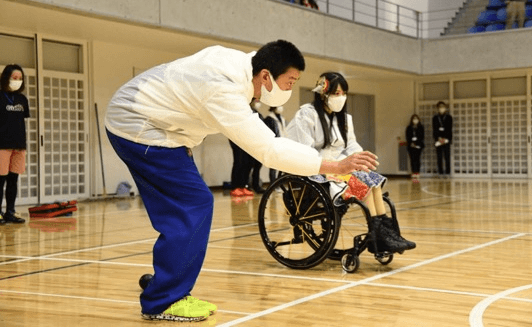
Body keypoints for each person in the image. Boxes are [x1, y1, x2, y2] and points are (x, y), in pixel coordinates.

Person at [105, 40, 378, 322]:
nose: (290, 89)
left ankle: (164, 286)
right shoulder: (223, 87)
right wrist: (336, 166)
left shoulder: (246, 67)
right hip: (137, 124)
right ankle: (163, 300)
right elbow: (269, 150)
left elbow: (187, 103)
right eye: (290, 82)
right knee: (193, 204)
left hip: (153, 125)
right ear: (265, 76)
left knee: (182, 208)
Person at [286, 72, 415, 254]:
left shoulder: (345, 119)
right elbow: (303, 149)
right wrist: (333, 165)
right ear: (323, 93)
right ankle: (380, 236)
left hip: (340, 168)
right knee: (365, 187)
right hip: (317, 169)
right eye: (336, 93)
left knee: (373, 181)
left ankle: (386, 233)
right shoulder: (307, 114)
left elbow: (351, 144)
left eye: (343, 93)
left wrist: (361, 158)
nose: (341, 98)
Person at [0, 64, 29, 224]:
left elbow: (20, 121)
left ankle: (10, 211)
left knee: (13, 180)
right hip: (2, 145)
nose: (17, 81)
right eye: (14, 78)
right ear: (6, 78)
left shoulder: (22, 99)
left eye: (20, 78)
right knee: (0, 180)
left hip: (18, 145)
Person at [264, 105, 286, 185]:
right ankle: (273, 185)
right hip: (273, 145)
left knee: (280, 166)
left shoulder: (282, 118)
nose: (281, 108)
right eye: (279, 106)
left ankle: (279, 184)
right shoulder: (268, 119)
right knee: (273, 167)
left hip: (282, 144)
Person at [432, 101, 452, 177]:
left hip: (446, 139)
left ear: (445, 108)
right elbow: (435, 129)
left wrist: (445, 139)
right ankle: (440, 172)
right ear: (437, 108)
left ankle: (447, 173)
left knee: (447, 157)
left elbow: (449, 129)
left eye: (443, 107)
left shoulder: (449, 117)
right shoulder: (435, 118)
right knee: (439, 157)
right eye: (440, 107)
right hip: (438, 140)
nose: (441, 108)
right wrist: (438, 138)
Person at [405, 114, 424, 182]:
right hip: (411, 146)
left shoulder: (421, 127)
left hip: (418, 146)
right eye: (414, 119)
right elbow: (407, 137)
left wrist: (416, 143)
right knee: (412, 159)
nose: (415, 120)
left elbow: (421, 137)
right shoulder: (409, 128)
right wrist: (411, 143)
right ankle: (413, 172)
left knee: (417, 159)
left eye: (416, 119)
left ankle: (417, 172)